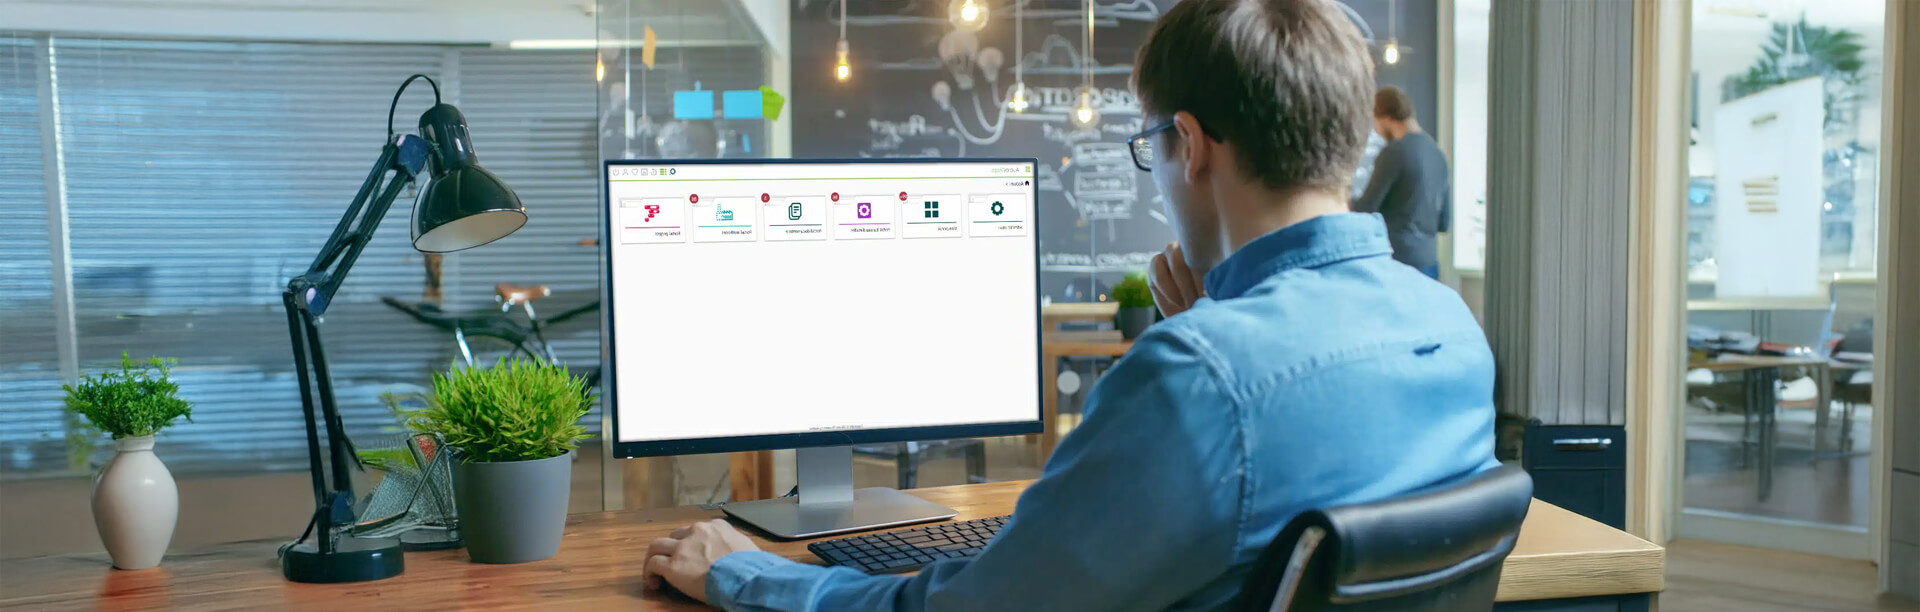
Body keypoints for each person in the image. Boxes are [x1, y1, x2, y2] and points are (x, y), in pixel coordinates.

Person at [640, 1, 1498, 609]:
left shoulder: (1201, 379)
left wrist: (745, 572)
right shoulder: (1451, 331)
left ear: (1190, 146)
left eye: (1148, 148)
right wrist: (1215, 318)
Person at [1352, 86, 1453, 279]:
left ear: (1386, 118)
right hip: (1429, 266)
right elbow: (1444, 222)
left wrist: (1342, 199)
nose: (1376, 130)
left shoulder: (1394, 152)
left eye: (1375, 123)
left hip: (1397, 264)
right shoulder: (1438, 155)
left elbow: (1366, 207)